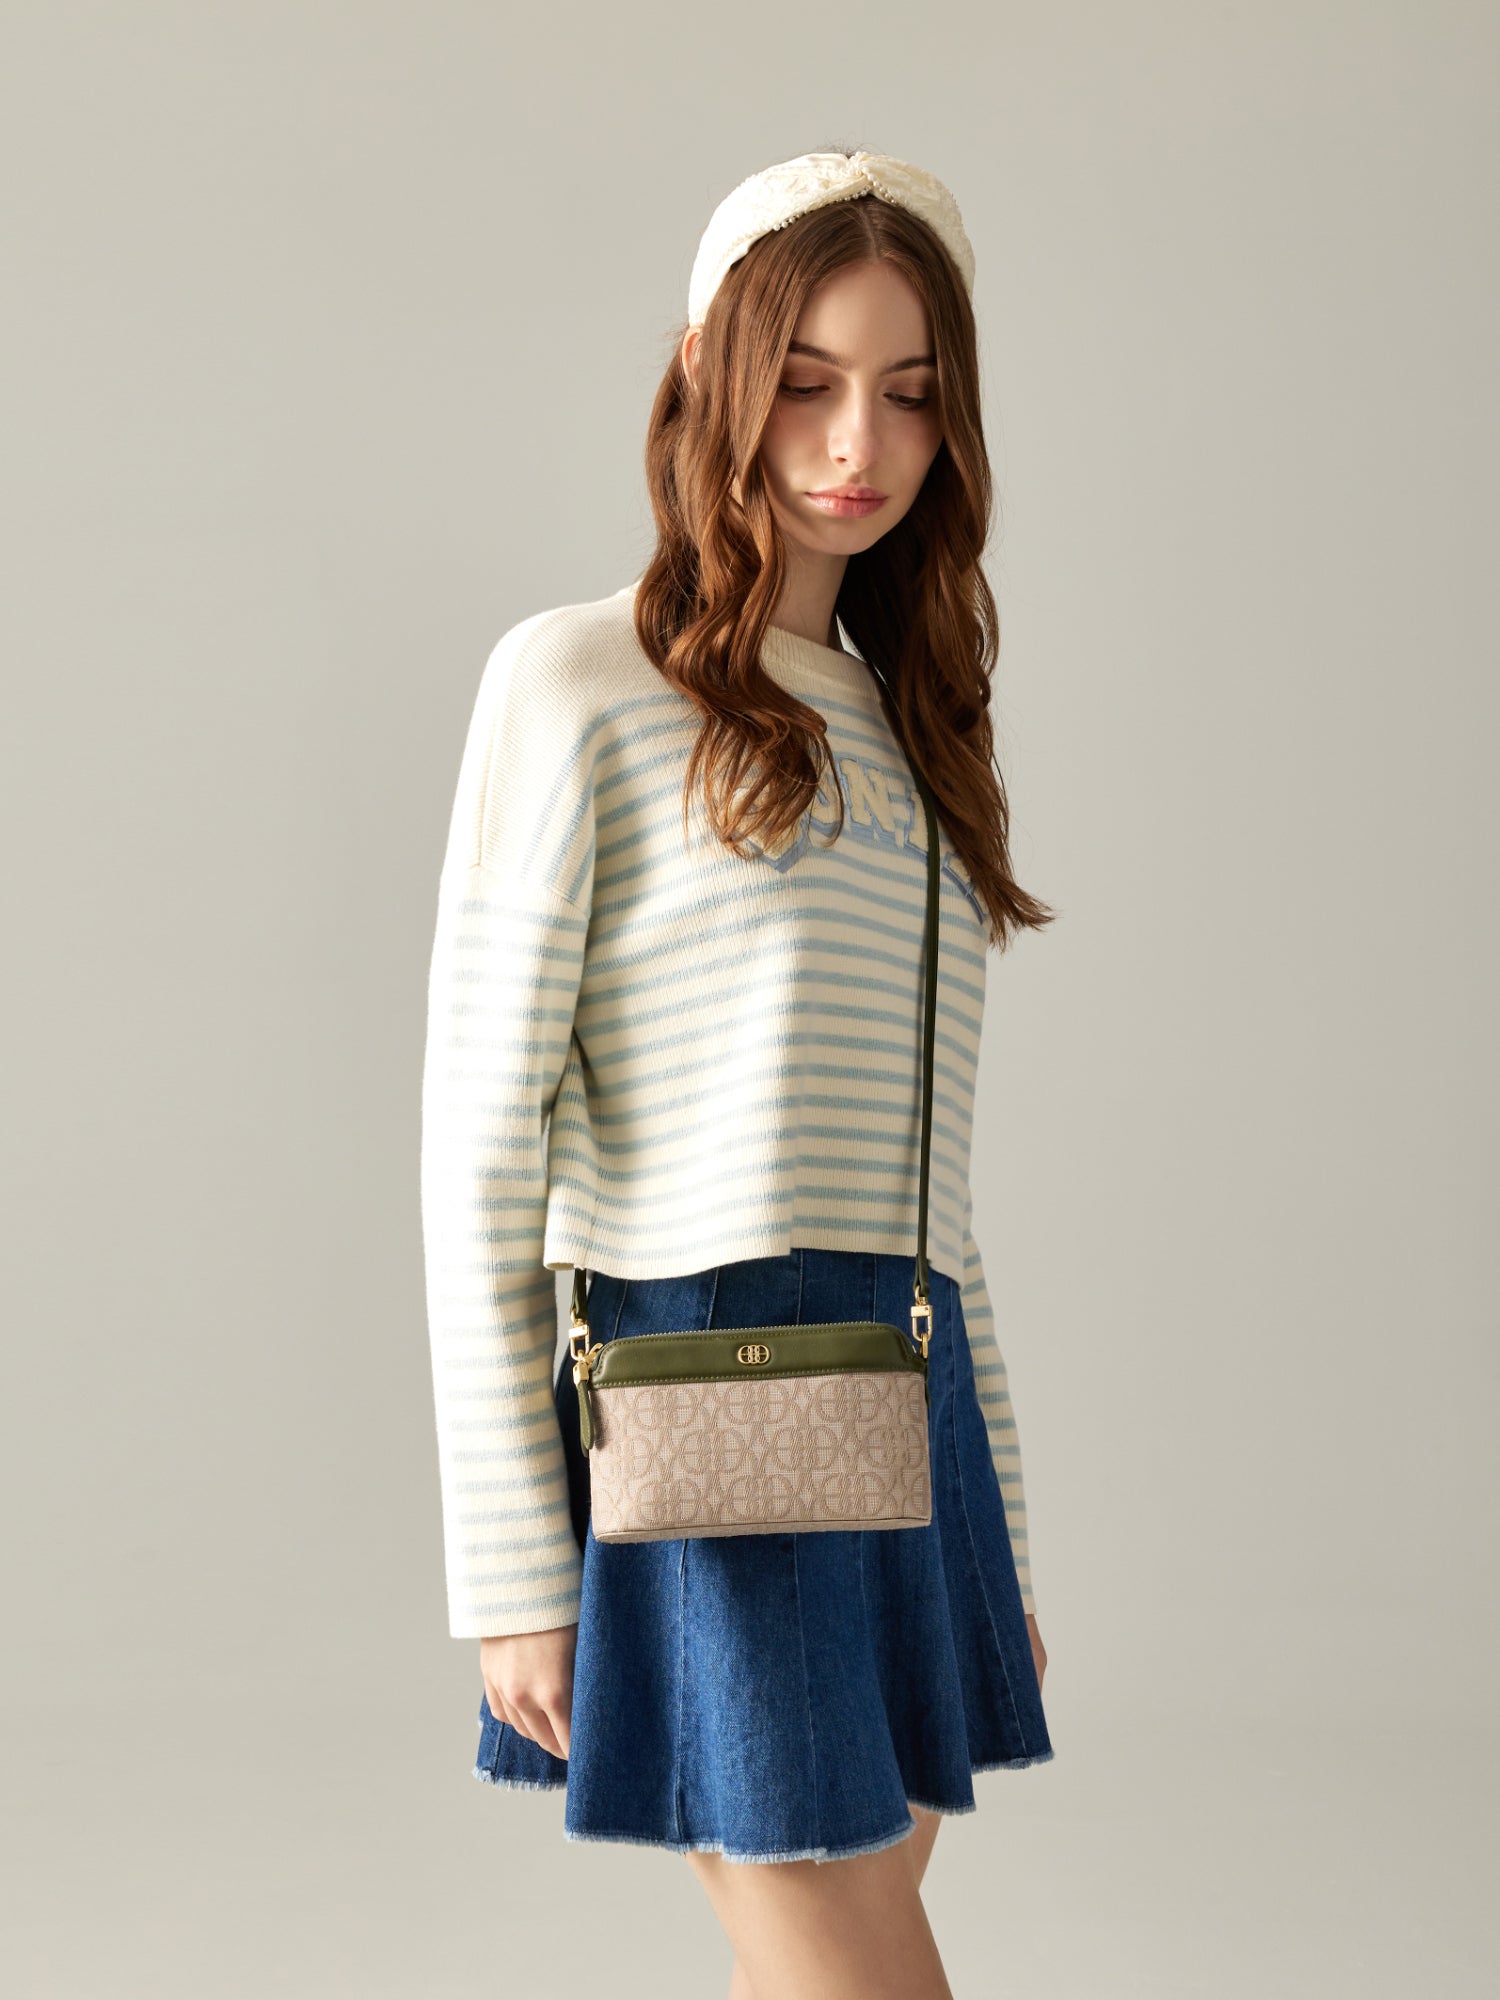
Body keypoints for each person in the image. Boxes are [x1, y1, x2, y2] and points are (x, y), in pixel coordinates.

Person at [419, 145, 1057, 2000]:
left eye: (911, 392)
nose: (860, 442)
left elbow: (933, 1199)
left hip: (902, 1396)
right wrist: (510, 1569)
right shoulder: (576, 684)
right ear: (712, 371)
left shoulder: (916, 733)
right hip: (698, 1387)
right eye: (806, 381)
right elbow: (479, 1148)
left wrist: (997, 1524)